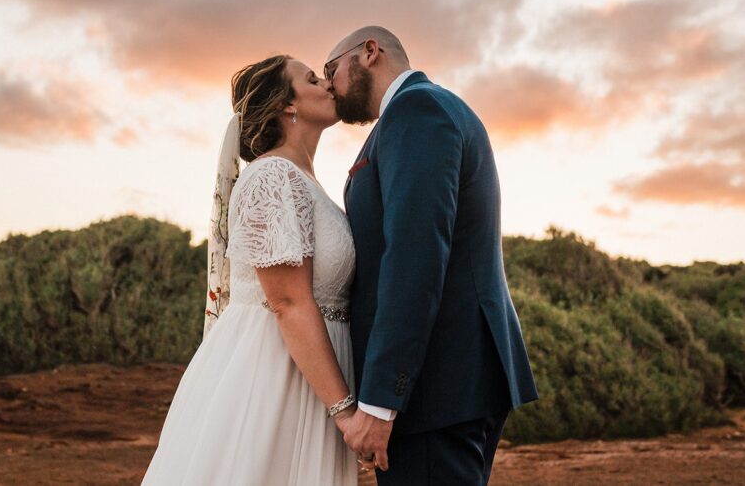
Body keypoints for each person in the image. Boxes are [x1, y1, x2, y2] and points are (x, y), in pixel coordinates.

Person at [328, 26, 539, 485]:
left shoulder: (417, 110)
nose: (329, 85)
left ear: (369, 53)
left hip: (433, 387)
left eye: (331, 70)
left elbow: (414, 257)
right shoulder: (426, 111)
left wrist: (382, 400)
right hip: (448, 381)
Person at [140, 54, 360, 485]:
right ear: (287, 105)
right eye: (312, 78)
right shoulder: (271, 178)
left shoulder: (307, 182)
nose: (327, 84)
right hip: (271, 378)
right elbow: (287, 301)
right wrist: (345, 412)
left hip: (312, 376)